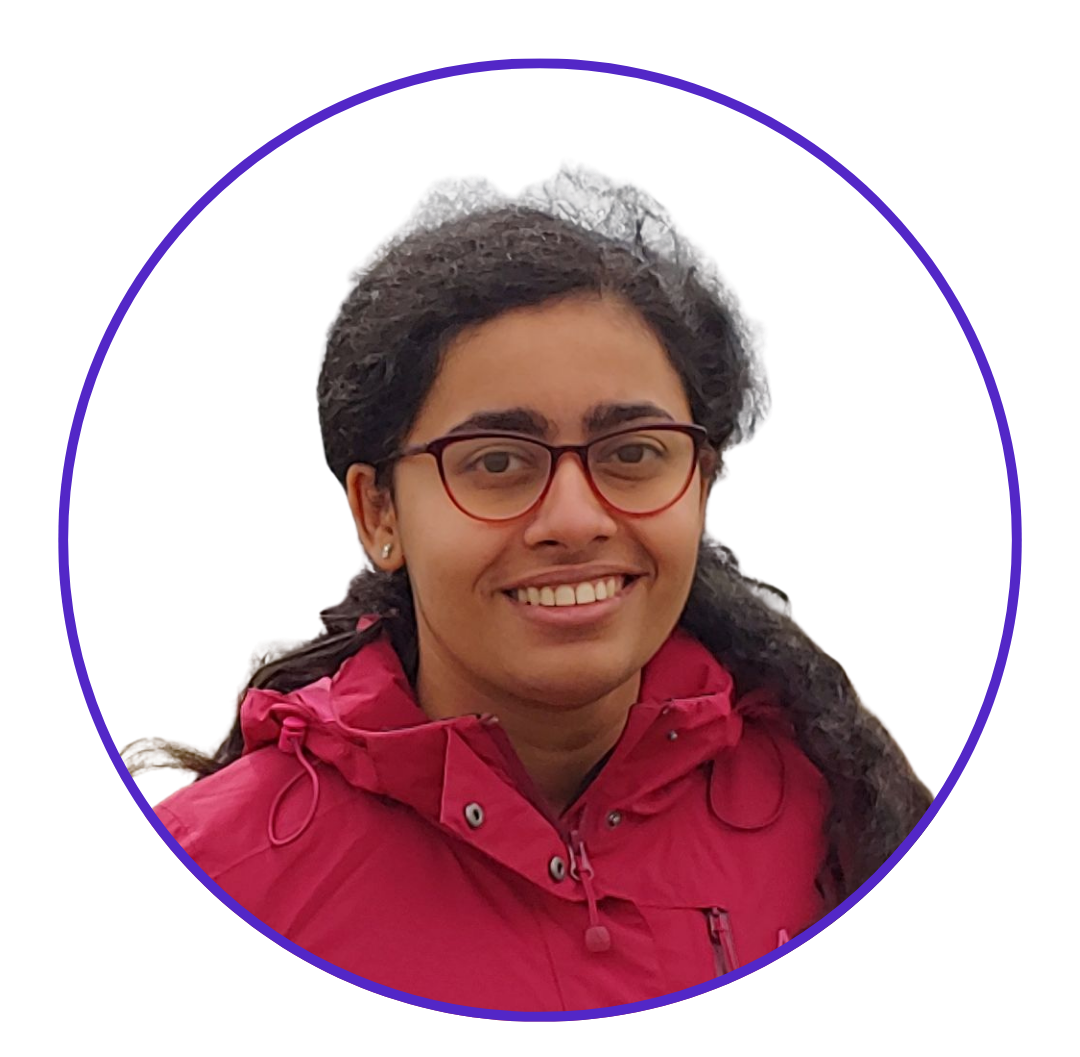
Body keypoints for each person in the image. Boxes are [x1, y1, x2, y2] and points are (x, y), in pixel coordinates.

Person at [141, 159, 934, 1011]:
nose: (575, 518)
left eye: (634, 453)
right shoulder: (219, 867)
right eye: (496, 462)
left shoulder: (841, 813)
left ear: (700, 488)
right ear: (378, 514)